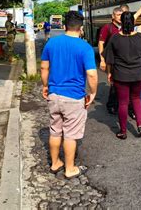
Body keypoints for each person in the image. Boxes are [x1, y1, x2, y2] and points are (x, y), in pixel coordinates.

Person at [41, 11, 98, 179]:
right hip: (73, 96)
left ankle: (55, 163)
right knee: (71, 134)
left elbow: (44, 68)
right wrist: (93, 92)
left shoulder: (51, 43)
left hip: (54, 94)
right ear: (81, 28)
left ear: (65, 26)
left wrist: (45, 86)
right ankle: (70, 168)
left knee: (55, 131)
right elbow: (92, 74)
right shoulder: (84, 47)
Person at [104, 12, 141, 139]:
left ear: (121, 22)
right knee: (136, 98)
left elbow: (109, 59)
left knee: (123, 102)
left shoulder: (115, 38)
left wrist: (109, 73)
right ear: (134, 22)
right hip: (138, 74)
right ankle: (140, 126)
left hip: (121, 75)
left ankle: (123, 131)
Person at [98, 7, 122, 114]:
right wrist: (102, 59)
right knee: (113, 82)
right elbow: (101, 43)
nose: (120, 17)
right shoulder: (107, 28)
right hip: (111, 59)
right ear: (113, 16)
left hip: (122, 59)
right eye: (118, 14)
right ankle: (111, 104)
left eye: (122, 14)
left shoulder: (125, 27)